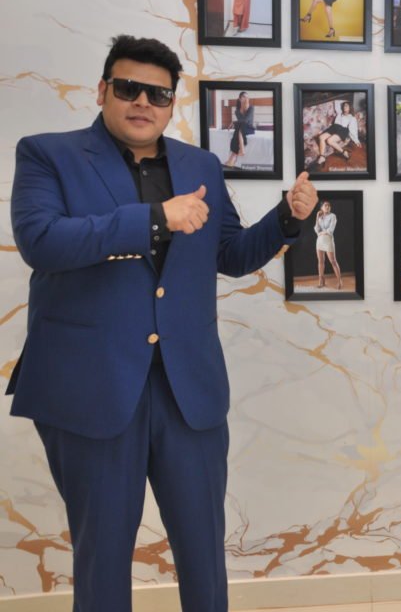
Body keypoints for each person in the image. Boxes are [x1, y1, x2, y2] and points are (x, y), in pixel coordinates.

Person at [8, 35, 318, 612]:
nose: (142, 102)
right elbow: (42, 242)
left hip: (187, 388)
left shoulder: (199, 164)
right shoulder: (47, 154)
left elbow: (229, 254)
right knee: (102, 555)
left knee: (204, 551)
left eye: (158, 93)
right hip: (91, 390)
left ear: (172, 103)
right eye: (128, 88)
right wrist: (155, 219)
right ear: (102, 91)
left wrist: (286, 219)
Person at [314, 99, 360, 166]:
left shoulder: (352, 118)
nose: (344, 107)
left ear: (350, 107)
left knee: (329, 141)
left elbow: (353, 129)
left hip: (342, 130)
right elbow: (337, 101)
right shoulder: (339, 112)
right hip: (334, 127)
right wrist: (345, 101)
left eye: (347, 106)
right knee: (321, 137)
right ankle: (322, 157)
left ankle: (344, 152)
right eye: (344, 106)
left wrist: (356, 140)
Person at [314, 201, 343, 289]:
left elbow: (331, 230)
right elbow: (316, 230)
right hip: (319, 241)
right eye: (325, 205)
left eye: (329, 205)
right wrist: (317, 217)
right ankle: (321, 281)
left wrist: (322, 233)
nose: (327, 207)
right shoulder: (320, 217)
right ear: (321, 208)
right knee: (320, 262)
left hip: (328, 241)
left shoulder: (333, 216)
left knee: (333, 261)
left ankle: (339, 281)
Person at [225, 91, 254, 168]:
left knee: (239, 128)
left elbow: (246, 120)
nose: (246, 98)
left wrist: (233, 122)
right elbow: (241, 121)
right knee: (239, 129)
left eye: (247, 97)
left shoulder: (251, 108)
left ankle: (234, 156)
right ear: (240, 99)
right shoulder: (237, 111)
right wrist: (235, 122)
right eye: (244, 96)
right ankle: (235, 156)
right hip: (242, 127)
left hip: (250, 128)